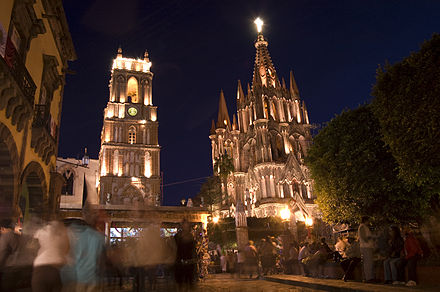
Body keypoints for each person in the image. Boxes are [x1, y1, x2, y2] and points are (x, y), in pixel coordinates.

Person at [32, 220, 69, 292]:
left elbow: (32, 247)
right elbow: (67, 250)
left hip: (41, 268)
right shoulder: (64, 234)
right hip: (58, 269)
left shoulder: (41, 231)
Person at [174, 219, 196, 292]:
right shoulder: (177, 236)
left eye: (187, 225)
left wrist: (193, 258)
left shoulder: (190, 236)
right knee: (180, 282)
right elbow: (174, 248)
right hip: (180, 261)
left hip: (189, 261)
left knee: (188, 281)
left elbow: (193, 248)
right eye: (184, 225)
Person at [358, 216, 375, 283]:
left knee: (368, 263)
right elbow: (364, 237)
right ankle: (369, 278)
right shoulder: (362, 227)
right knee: (368, 263)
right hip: (366, 247)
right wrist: (372, 237)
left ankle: (369, 277)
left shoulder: (364, 227)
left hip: (367, 247)